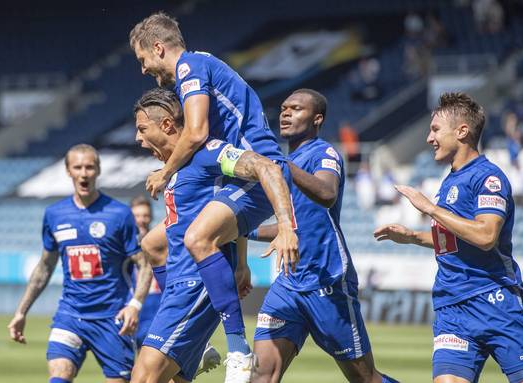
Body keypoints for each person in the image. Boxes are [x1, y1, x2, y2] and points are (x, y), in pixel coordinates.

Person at [129, 12, 298, 379]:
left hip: (260, 168)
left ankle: (237, 349)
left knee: (196, 236)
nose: (143, 69)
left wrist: (166, 171)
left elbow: (195, 130)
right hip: (241, 178)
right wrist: (240, 262)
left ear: (158, 48)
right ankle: (198, 339)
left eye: (143, 60)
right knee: (154, 244)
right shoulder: (199, 74)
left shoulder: (190, 67)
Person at [374, 92, 523, 383]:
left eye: (435, 130)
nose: (429, 138)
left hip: (495, 301)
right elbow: (453, 238)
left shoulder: (488, 178)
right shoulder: (449, 182)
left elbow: (485, 236)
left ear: (462, 131)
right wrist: (413, 237)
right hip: (452, 307)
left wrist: (429, 208)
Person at [248, 89, 398, 383]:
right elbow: (289, 229)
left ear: (317, 119)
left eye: (296, 108)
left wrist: (283, 167)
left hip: (327, 280)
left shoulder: (324, 153)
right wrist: (242, 230)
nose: (286, 113)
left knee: (364, 379)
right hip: (289, 284)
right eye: (283, 107)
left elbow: (327, 193)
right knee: (262, 374)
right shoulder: (284, 165)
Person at [7, 144, 152, 383]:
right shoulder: (55, 214)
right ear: (68, 171)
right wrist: (21, 311)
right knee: (59, 373)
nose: (84, 173)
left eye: (89, 167)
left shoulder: (119, 214)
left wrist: (135, 305)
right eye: (78, 167)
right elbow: (45, 267)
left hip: (112, 319)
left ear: (98, 170)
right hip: (71, 314)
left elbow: (144, 264)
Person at [126, 196, 163, 350]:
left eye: (145, 216)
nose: (141, 220)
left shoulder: (161, 241)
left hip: (157, 306)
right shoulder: (123, 244)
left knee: (159, 366)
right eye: (137, 216)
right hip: (131, 306)